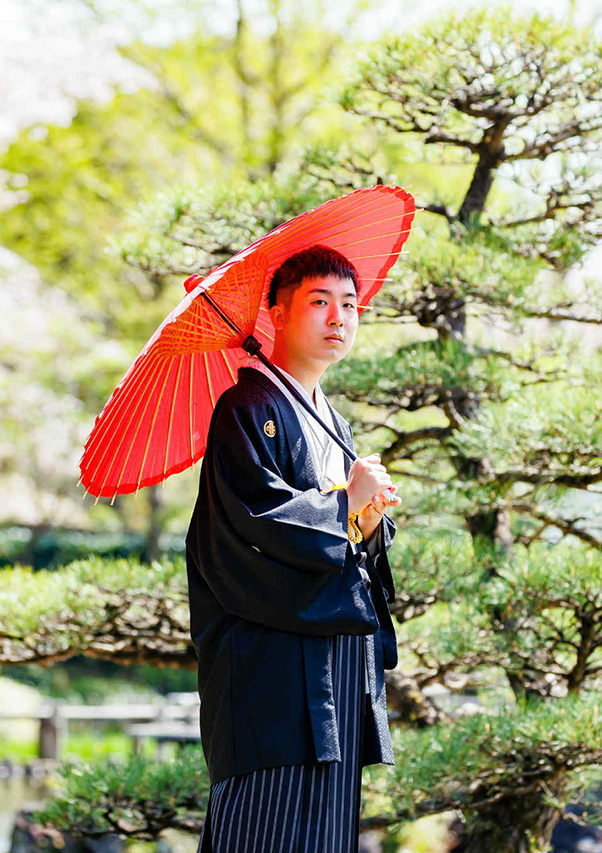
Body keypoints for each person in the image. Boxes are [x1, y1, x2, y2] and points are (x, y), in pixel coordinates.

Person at [186, 244, 402, 853]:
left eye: (349, 304)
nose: (339, 318)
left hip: (333, 675)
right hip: (272, 682)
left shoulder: (331, 420)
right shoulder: (248, 409)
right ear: (276, 314)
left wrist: (367, 516)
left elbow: (352, 546)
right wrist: (342, 508)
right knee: (265, 834)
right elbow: (254, 529)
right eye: (319, 302)